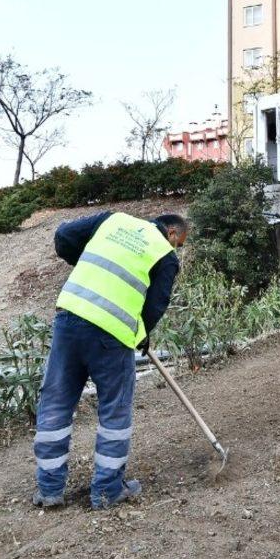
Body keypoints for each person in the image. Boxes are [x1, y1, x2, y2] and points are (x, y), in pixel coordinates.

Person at [33, 210, 187, 510]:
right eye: (178, 243)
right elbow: (155, 306)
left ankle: (49, 490)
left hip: (69, 318)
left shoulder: (113, 220)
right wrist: (140, 334)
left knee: (56, 403)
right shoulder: (165, 255)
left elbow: (64, 236)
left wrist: (86, 264)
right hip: (112, 335)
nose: (176, 249)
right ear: (171, 233)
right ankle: (106, 491)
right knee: (115, 411)